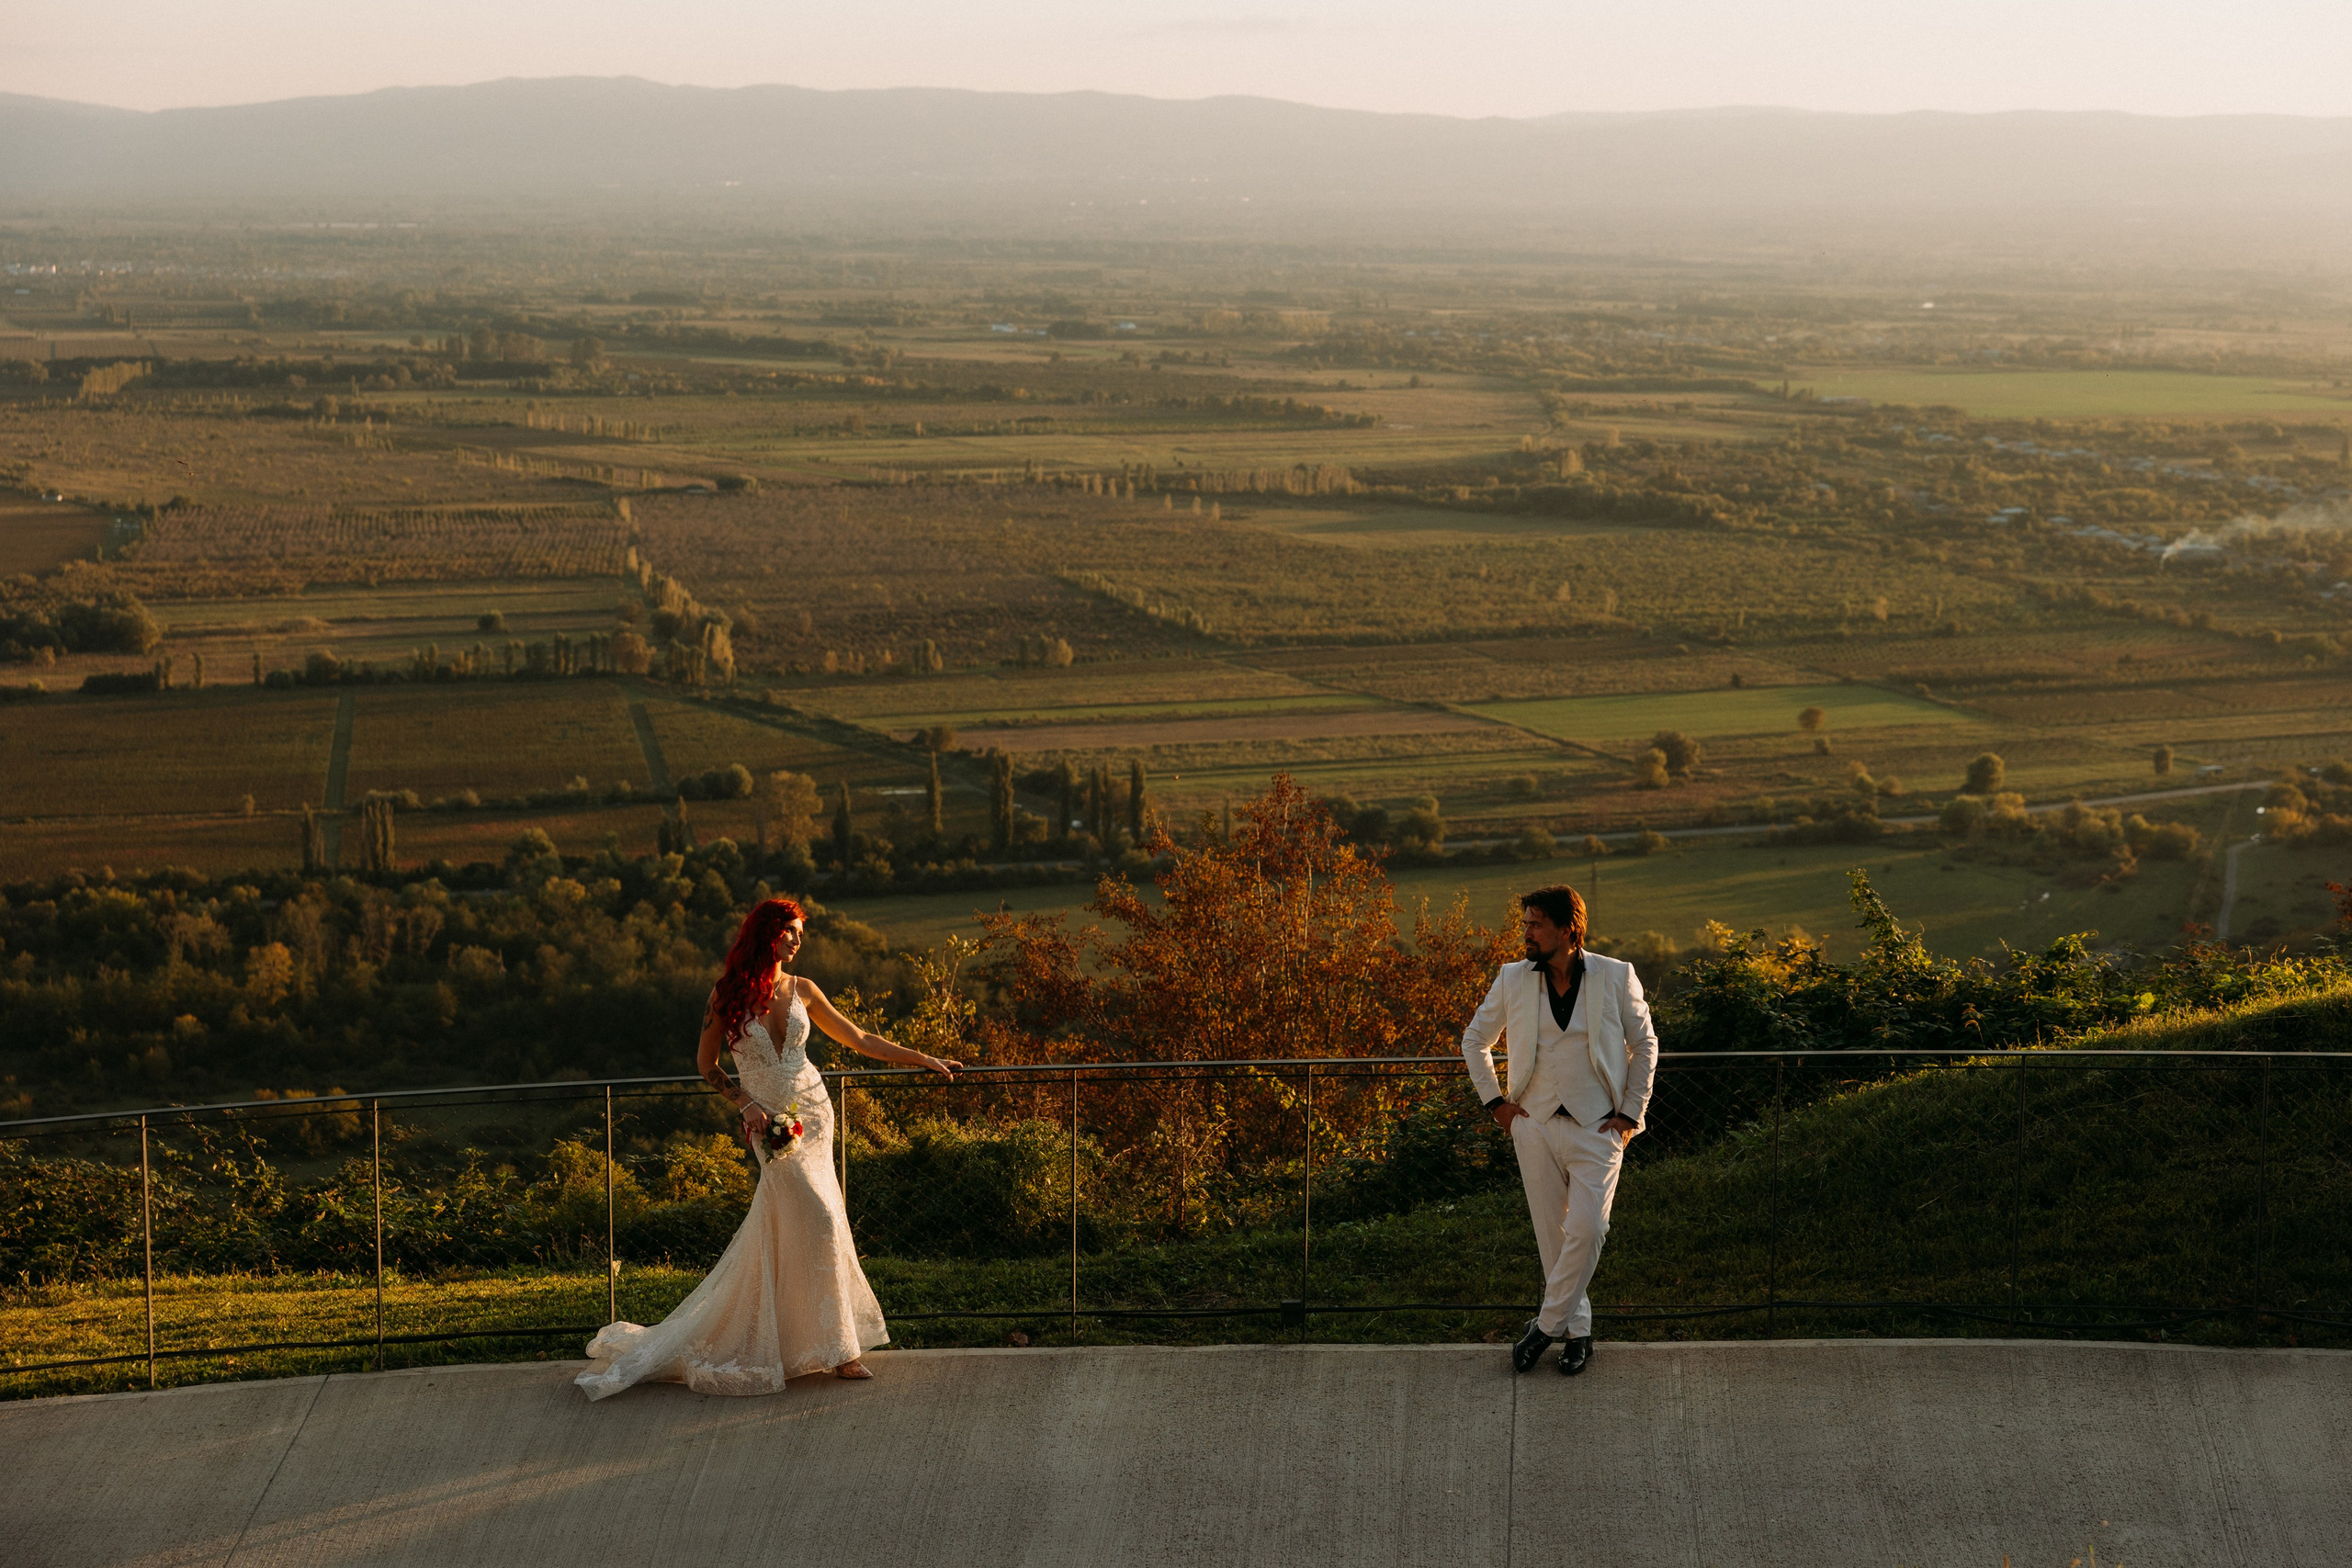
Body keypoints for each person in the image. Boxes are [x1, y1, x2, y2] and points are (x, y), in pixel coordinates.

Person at [576, 897, 960, 1400]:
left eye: (800, 933)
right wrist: (744, 1101)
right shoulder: (726, 995)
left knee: (816, 1221)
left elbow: (860, 1037)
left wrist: (924, 1058)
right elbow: (706, 1064)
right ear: (768, 935)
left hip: (815, 1114)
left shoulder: (803, 989)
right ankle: (828, 1347)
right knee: (817, 1217)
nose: (799, 941)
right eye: (792, 932)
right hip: (768, 1124)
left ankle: (831, 1347)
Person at [1460, 885, 1658, 1377]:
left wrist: (1630, 1114)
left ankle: (1544, 1329)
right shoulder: (1512, 979)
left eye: (1535, 924)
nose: (1525, 933)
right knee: (1553, 1238)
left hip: (1599, 1127)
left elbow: (1646, 1044)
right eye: (1525, 922)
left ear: (1568, 929)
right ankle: (1578, 1334)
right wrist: (1497, 1106)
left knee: (1589, 1229)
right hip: (1535, 1123)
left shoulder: (1616, 976)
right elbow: (1474, 1040)